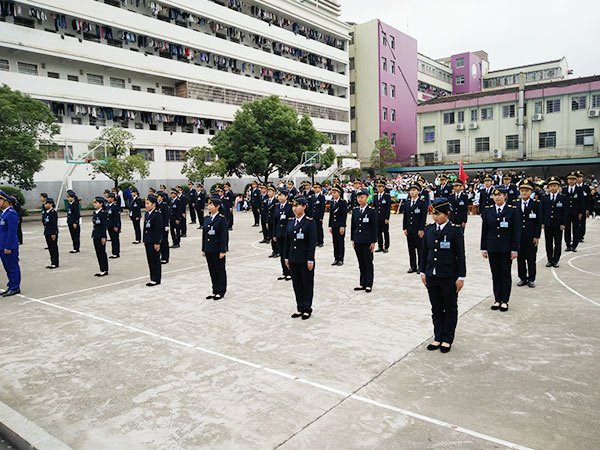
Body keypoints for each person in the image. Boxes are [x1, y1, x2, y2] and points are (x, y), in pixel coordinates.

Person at [420, 198, 466, 353]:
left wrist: (461, 277)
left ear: (447, 214)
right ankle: (438, 336)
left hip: (448, 276)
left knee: (450, 307)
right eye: (433, 214)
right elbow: (424, 252)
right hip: (432, 275)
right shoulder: (429, 230)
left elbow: (460, 255)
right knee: (436, 308)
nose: (435, 217)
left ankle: (447, 338)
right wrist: (423, 271)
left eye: (438, 214)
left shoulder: (455, 230)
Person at [481, 187, 521, 312]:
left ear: (505, 196)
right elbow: (485, 230)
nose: (497, 197)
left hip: (506, 247)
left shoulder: (512, 210)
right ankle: (497, 299)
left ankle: (504, 300)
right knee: (495, 274)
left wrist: (514, 249)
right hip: (492, 247)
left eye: (499, 195)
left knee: (505, 274)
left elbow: (516, 231)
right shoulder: (488, 211)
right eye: (495, 195)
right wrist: (483, 248)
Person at [283, 195, 316, 320]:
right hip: (293, 258)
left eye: (297, 206)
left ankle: (307, 308)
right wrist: (286, 257)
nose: (294, 208)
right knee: (296, 284)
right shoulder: (291, 221)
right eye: (293, 206)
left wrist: (310, 259)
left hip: (304, 258)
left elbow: (312, 242)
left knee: (306, 284)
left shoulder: (309, 222)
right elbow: (287, 242)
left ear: (304, 207)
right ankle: (300, 307)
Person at [516, 180, 542, 288]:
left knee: (531, 258)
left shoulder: (536, 204)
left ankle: (531, 278)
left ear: (531, 192)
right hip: (519, 237)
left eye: (526, 191)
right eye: (522, 190)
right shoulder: (515, 204)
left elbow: (538, 221)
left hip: (531, 236)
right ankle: (522, 278)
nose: (524, 193)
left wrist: (537, 236)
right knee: (520, 258)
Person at [351, 189, 377, 293]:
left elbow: (374, 227)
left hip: (367, 240)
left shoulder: (371, 211)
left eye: (362, 197)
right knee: (361, 262)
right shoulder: (355, 210)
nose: (360, 199)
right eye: (358, 197)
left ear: (367, 198)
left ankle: (369, 283)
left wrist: (373, 241)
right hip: (358, 239)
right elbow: (353, 226)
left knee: (368, 262)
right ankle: (362, 283)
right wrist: (353, 239)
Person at [202, 197, 229, 300]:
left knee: (219, 270)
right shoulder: (206, 218)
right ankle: (215, 290)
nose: (209, 207)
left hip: (217, 249)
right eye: (208, 204)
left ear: (217, 206)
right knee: (212, 271)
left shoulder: (221, 219)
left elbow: (224, 236)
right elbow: (204, 235)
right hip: (209, 248)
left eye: (211, 205)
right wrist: (204, 248)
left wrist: (223, 250)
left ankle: (221, 291)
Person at [541, 176, 568, 268]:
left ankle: (556, 260)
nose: (553, 188)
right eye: (551, 186)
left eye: (555, 186)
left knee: (558, 243)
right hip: (548, 223)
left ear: (558, 187)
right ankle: (549, 259)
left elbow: (565, 212)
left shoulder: (563, 198)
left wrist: (563, 223)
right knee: (548, 242)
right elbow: (542, 211)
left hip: (558, 224)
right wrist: (542, 222)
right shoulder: (544, 198)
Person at [403, 184, 427, 273]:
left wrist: (421, 229)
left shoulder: (422, 202)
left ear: (418, 191)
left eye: (414, 190)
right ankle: (413, 266)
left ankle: (421, 266)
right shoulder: (407, 203)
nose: (412, 192)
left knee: (420, 249)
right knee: (411, 248)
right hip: (409, 229)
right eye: (411, 190)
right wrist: (405, 228)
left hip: (418, 229)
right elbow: (405, 217)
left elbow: (423, 217)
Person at [0, 191, 21, 297]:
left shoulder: (11, 214)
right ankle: (11, 285)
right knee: (7, 267)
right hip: (2, 245)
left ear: (6, 202)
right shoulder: (3, 213)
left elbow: (11, 232)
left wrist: (8, 246)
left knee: (12, 266)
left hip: (9, 246)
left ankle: (15, 287)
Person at [143, 195, 163, 287]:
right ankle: (152, 277)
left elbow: (158, 230)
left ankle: (156, 279)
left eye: (148, 203)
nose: (146, 205)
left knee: (155, 260)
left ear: (154, 204)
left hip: (154, 240)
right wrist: (144, 239)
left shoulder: (157, 214)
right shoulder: (147, 214)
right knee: (150, 260)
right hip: (148, 240)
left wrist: (157, 242)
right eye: (145, 203)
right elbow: (145, 228)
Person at [273, 189, 293, 281]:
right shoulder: (277, 206)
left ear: (286, 196)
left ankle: (290, 272)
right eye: (278, 195)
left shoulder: (290, 206)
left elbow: (291, 221)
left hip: (287, 233)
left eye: (281, 195)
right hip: (279, 233)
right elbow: (275, 221)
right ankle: (284, 272)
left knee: (287, 253)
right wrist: (274, 234)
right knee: (282, 254)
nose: (279, 197)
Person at [564, 171, 584, 252]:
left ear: (576, 180)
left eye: (573, 179)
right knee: (567, 229)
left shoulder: (579, 190)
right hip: (567, 213)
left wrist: (581, 212)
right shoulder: (565, 189)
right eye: (569, 179)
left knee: (576, 229)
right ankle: (568, 245)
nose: (571, 181)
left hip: (576, 212)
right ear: (567, 180)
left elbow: (582, 202)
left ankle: (574, 245)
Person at [328, 185, 347, 266]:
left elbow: (344, 215)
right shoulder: (332, 202)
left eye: (335, 192)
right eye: (332, 192)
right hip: (334, 225)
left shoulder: (343, 202)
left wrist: (343, 226)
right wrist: (330, 225)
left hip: (340, 225)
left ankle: (341, 259)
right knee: (335, 242)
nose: (333, 194)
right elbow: (331, 215)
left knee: (340, 242)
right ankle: (336, 258)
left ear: (339, 193)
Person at [91, 196, 109, 277]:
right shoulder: (95, 212)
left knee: (102, 252)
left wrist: (104, 237)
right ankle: (101, 268)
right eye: (94, 202)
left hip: (101, 235)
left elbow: (104, 226)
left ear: (101, 204)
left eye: (96, 202)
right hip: (95, 234)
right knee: (98, 252)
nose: (94, 204)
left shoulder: (103, 213)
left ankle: (104, 269)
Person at [373, 181, 391, 253]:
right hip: (377, 217)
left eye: (380, 187)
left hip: (384, 217)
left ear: (384, 188)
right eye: (378, 187)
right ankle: (380, 246)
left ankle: (386, 246)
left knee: (385, 232)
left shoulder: (387, 196)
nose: (379, 188)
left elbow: (388, 208)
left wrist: (387, 218)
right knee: (378, 232)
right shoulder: (375, 196)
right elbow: (374, 207)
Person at [43, 197, 59, 269]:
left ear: (51, 204)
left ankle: (55, 262)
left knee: (53, 247)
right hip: (47, 231)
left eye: (47, 204)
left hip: (52, 232)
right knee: (50, 247)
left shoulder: (53, 212)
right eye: (45, 204)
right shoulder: (46, 212)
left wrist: (53, 233)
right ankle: (52, 262)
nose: (45, 205)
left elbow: (54, 224)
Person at [576, 171, 591, 243]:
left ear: (582, 178)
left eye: (580, 177)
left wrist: (588, 209)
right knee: (575, 223)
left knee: (582, 222)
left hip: (583, 208)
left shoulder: (585, 187)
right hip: (575, 208)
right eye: (577, 177)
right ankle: (576, 236)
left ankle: (581, 236)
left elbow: (589, 199)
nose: (579, 179)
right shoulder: (574, 187)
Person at [105, 192, 121, 259]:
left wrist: (116, 226)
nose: (108, 199)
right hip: (109, 225)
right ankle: (113, 252)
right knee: (112, 239)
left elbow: (117, 217)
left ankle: (116, 253)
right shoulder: (107, 206)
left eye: (109, 198)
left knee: (115, 239)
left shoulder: (115, 206)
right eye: (107, 198)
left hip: (114, 225)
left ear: (112, 198)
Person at [310, 182, 325, 247]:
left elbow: (322, 207)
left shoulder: (321, 197)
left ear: (320, 188)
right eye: (314, 188)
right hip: (313, 215)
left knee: (319, 228)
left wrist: (321, 216)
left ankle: (321, 241)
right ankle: (316, 240)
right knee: (314, 229)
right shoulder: (312, 197)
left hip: (318, 215)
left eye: (317, 188)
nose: (315, 189)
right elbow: (311, 207)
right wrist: (310, 215)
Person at [156, 191, 170, 264]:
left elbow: (166, 216)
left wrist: (166, 225)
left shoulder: (164, 205)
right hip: (158, 226)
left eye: (158, 196)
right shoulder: (155, 205)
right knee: (159, 241)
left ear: (161, 197)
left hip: (163, 226)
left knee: (164, 242)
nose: (157, 198)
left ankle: (165, 257)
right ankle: (160, 256)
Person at [265, 185, 278, 256]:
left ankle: (277, 251)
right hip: (269, 221)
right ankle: (274, 250)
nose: (268, 193)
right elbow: (267, 212)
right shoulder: (267, 201)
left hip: (275, 221)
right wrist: (267, 221)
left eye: (270, 191)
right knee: (271, 236)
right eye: (268, 192)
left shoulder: (276, 201)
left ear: (274, 192)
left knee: (275, 237)